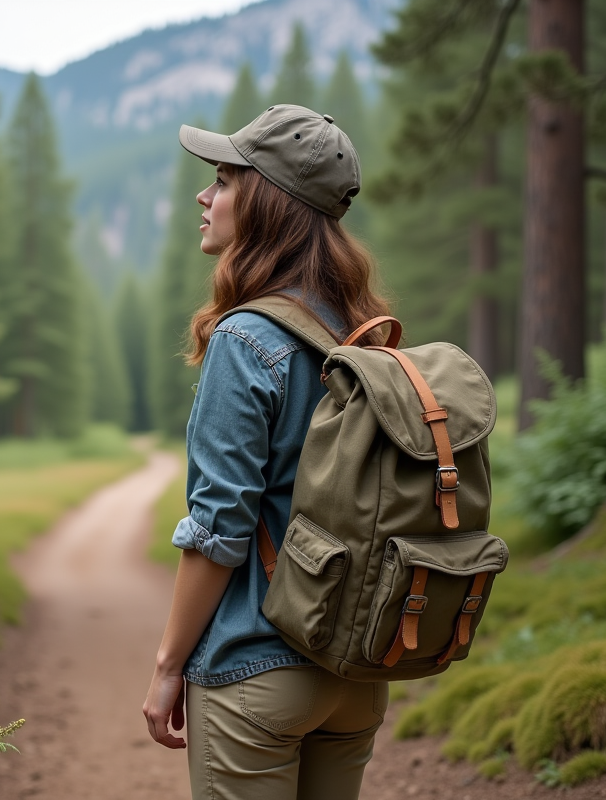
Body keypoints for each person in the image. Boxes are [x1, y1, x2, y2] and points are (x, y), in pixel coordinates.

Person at [141, 105, 392, 800]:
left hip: (255, 670)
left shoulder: (246, 340)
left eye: (222, 179)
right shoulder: (363, 335)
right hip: (354, 676)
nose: (204, 195)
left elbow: (219, 529)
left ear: (265, 201)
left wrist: (168, 666)